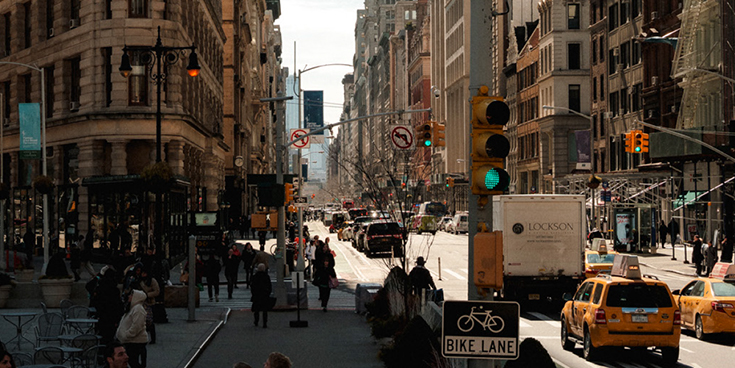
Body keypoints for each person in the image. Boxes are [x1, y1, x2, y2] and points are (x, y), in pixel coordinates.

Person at [116, 289, 148, 368]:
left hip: (135, 341)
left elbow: (137, 326)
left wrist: (127, 335)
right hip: (132, 341)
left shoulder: (138, 309)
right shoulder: (133, 308)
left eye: (131, 295)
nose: (129, 296)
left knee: (133, 362)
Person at [139, 268, 160, 344]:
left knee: (149, 321)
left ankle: (152, 338)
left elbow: (157, 291)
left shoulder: (152, 281)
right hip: (141, 302)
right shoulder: (139, 280)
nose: (143, 275)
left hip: (149, 302)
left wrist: (147, 295)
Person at [250, 263, 272, 328]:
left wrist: (253, 293)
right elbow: (269, 286)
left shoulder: (255, 276)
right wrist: (268, 293)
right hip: (264, 295)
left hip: (257, 295)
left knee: (256, 310)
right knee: (265, 310)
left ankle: (256, 321)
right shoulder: (266, 276)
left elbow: (252, 286)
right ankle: (264, 323)